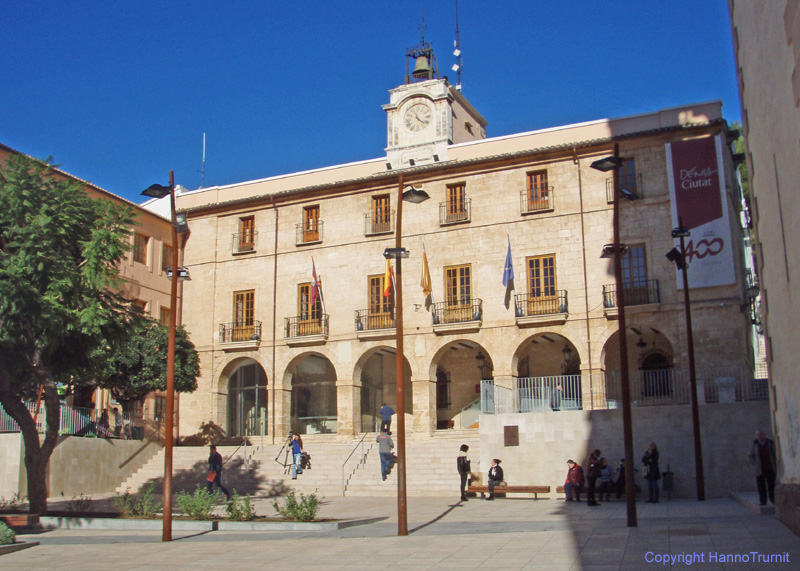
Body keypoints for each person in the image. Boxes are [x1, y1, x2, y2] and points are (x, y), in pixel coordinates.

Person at [747, 430, 777, 506]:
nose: (759, 436)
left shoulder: (770, 443)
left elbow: (774, 454)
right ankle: (763, 501)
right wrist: (755, 464)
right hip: (760, 469)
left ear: (764, 435)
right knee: (761, 486)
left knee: (771, 485)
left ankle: (773, 499)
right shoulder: (754, 444)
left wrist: (775, 464)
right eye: (758, 435)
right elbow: (750, 455)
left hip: (770, 467)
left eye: (761, 434)